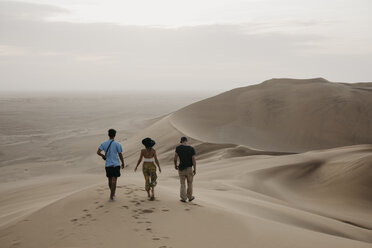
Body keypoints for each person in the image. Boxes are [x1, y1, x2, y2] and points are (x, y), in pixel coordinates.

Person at [97, 129, 125, 202]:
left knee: (110, 180)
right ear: (114, 135)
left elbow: (98, 152)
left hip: (108, 164)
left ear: (108, 135)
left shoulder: (103, 143)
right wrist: (123, 162)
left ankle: (112, 194)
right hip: (116, 164)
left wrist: (103, 155)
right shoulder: (117, 144)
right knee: (114, 180)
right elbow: (120, 154)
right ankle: (111, 196)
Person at [174, 136, 196, 202]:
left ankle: (183, 198)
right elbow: (194, 159)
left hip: (181, 168)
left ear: (181, 141)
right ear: (186, 141)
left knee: (182, 184)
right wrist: (195, 169)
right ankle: (190, 197)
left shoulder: (178, 148)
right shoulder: (191, 148)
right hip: (189, 168)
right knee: (190, 183)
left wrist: (175, 165)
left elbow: (175, 158)